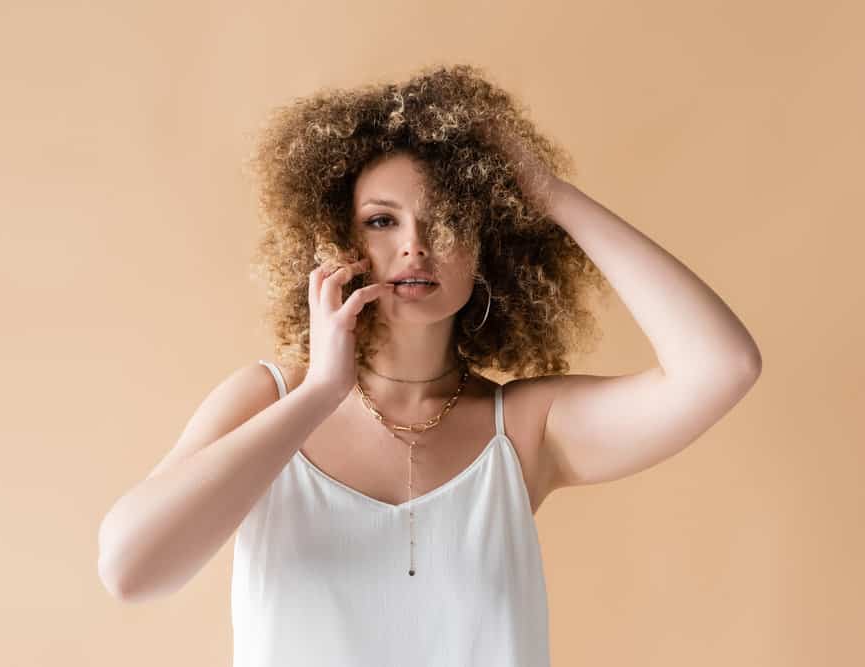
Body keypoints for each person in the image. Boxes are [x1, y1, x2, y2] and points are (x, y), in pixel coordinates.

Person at [97, 64, 762, 666]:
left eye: (446, 219)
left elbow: (722, 365)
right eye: (382, 221)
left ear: (485, 245)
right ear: (336, 238)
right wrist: (321, 390)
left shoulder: (524, 431)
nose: (415, 245)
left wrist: (547, 192)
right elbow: (131, 569)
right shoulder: (269, 399)